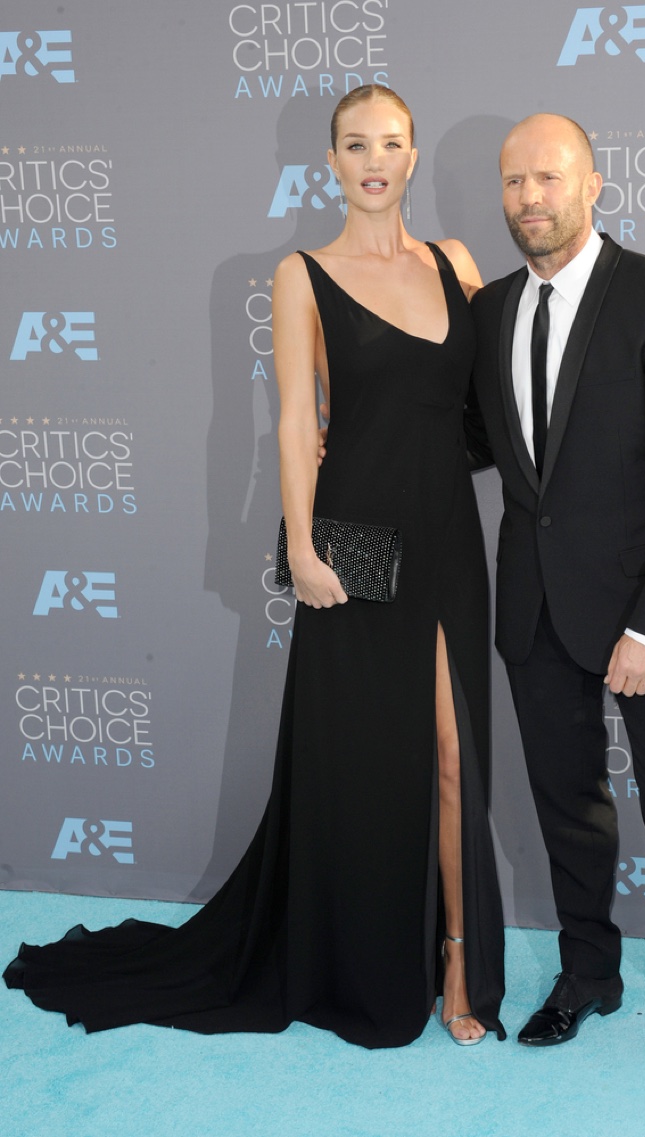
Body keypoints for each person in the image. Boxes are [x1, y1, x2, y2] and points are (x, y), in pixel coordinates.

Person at [3, 86, 506, 1049]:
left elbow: (489, 395)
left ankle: (454, 956)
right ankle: (357, 959)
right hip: (355, 544)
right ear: (330, 162)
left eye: (391, 143)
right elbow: (287, 417)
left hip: (448, 539)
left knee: (452, 758)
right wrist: (303, 545)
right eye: (355, 144)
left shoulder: (456, 264)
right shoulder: (299, 274)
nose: (374, 160)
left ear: (412, 154)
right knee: (361, 769)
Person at [466, 113, 645, 1108]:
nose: (527, 198)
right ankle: (587, 975)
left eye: (546, 177)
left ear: (592, 186)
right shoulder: (491, 311)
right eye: (511, 182)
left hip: (642, 620)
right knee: (565, 813)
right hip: (533, 612)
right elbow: (465, 444)